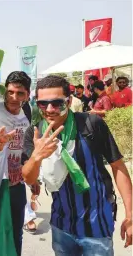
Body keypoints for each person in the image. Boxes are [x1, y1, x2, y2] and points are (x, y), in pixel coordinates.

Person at [22, 75, 132, 255]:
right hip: (61, 225)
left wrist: (130, 215)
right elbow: (28, 177)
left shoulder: (91, 124)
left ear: (69, 100)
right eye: (43, 104)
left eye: (57, 103)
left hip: (97, 225)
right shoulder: (35, 133)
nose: (49, 109)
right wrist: (36, 156)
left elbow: (118, 166)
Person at [0, 71, 37, 256]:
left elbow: (27, 147)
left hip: (16, 185)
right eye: (10, 92)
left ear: (27, 95)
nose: (13, 97)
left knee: (15, 234)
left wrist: (33, 177)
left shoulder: (27, 112)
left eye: (20, 93)